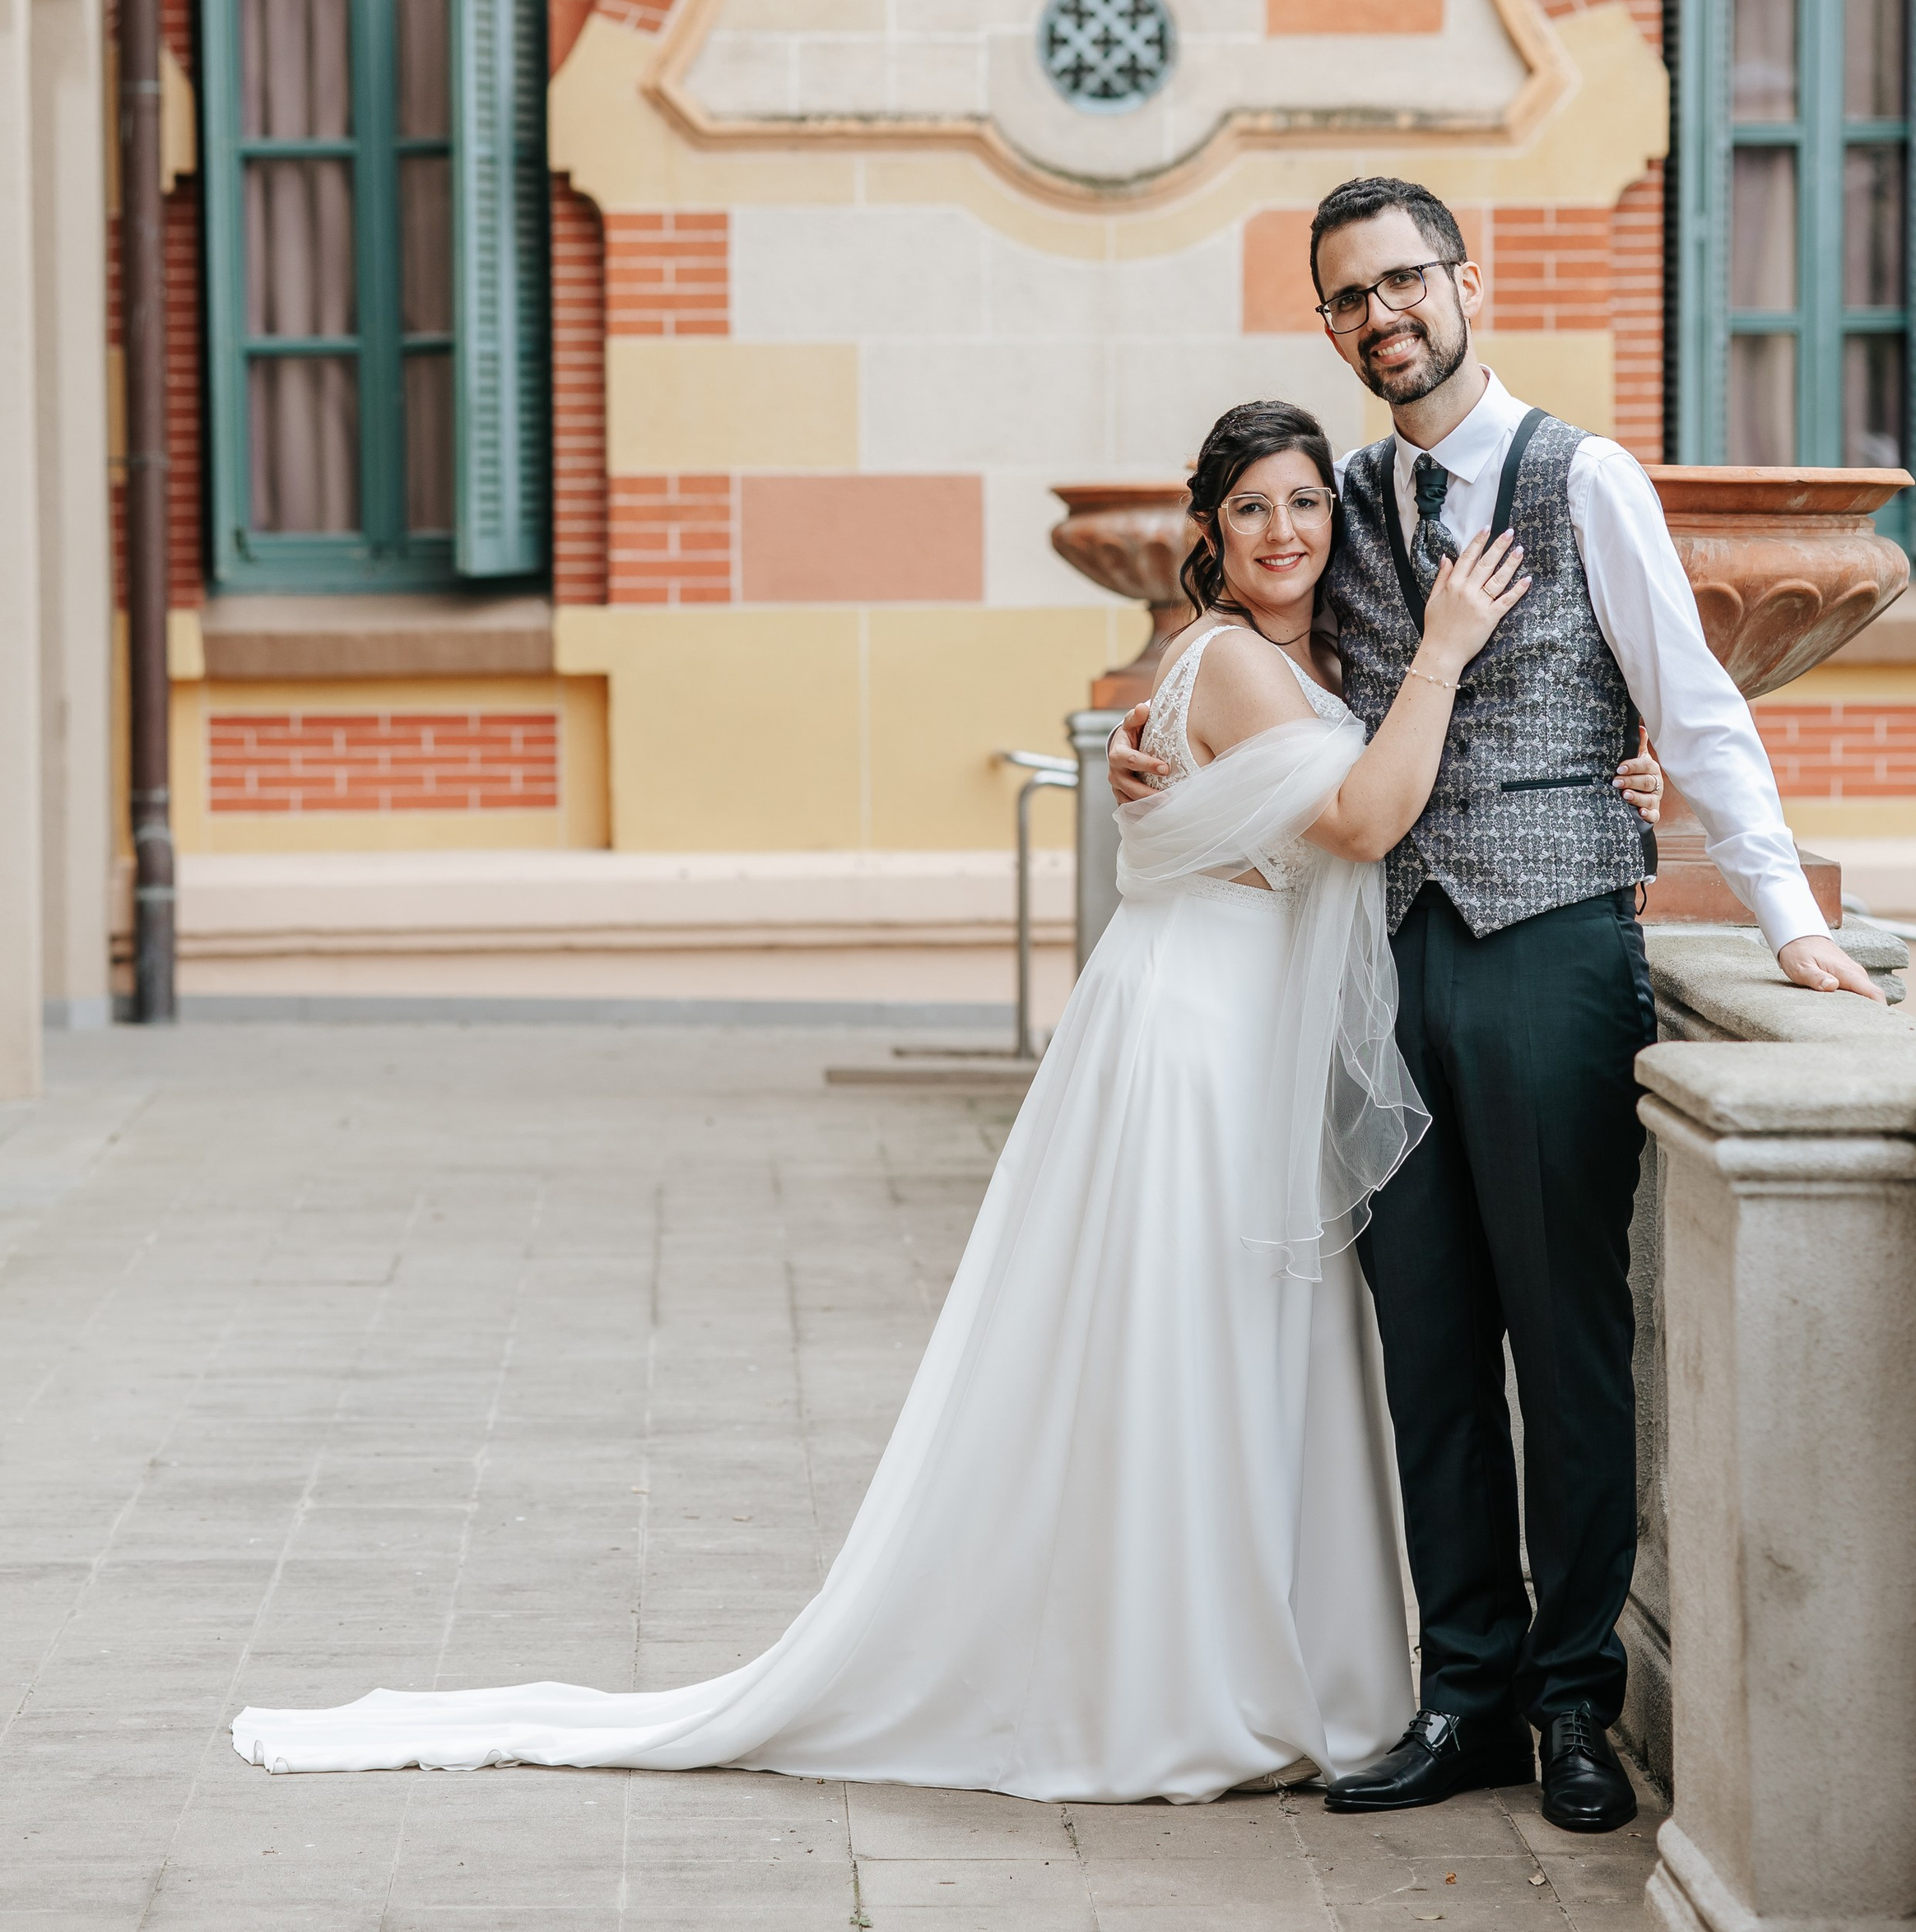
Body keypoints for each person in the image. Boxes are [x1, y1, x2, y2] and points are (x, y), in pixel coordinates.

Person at [233, 397, 1661, 1806]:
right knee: (1198, 1350)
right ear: (1208, 539)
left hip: (1230, 1023)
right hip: (1203, 1044)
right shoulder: (1231, 662)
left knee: (1229, 1356)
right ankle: (1189, 1677)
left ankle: (1254, 1656)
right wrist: (1450, 655)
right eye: (1251, 510)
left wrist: (1622, 752)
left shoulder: (1271, 659)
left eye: (1304, 506)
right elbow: (1357, 817)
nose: (1287, 530)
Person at [1114, 179, 1885, 1835]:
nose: (1383, 314)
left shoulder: (1580, 475)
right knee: (1431, 1346)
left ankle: (1567, 1708)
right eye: (1348, 298)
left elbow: (1687, 700)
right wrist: (1144, 749)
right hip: (1381, 962)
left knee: (1567, 1339)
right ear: (1326, 327)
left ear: (1463, 282)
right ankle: (1457, 1695)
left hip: (1548, 947)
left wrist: (1780, 911)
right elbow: (1260, 668)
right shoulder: (1352, 493)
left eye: (1403, 280)